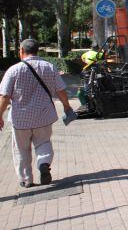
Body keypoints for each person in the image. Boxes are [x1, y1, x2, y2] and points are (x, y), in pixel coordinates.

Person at [0, 39, 74, 188]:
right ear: (37, 51)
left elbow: (4, 96)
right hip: (43, 117)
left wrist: (0, 115)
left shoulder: (13, 70)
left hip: (20, 119)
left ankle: (26, 179)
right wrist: (67, 106)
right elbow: (61, 90)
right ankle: (43, 163)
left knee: (21, 149)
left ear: (21, 51)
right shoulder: (49, 67)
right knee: (43, 142)